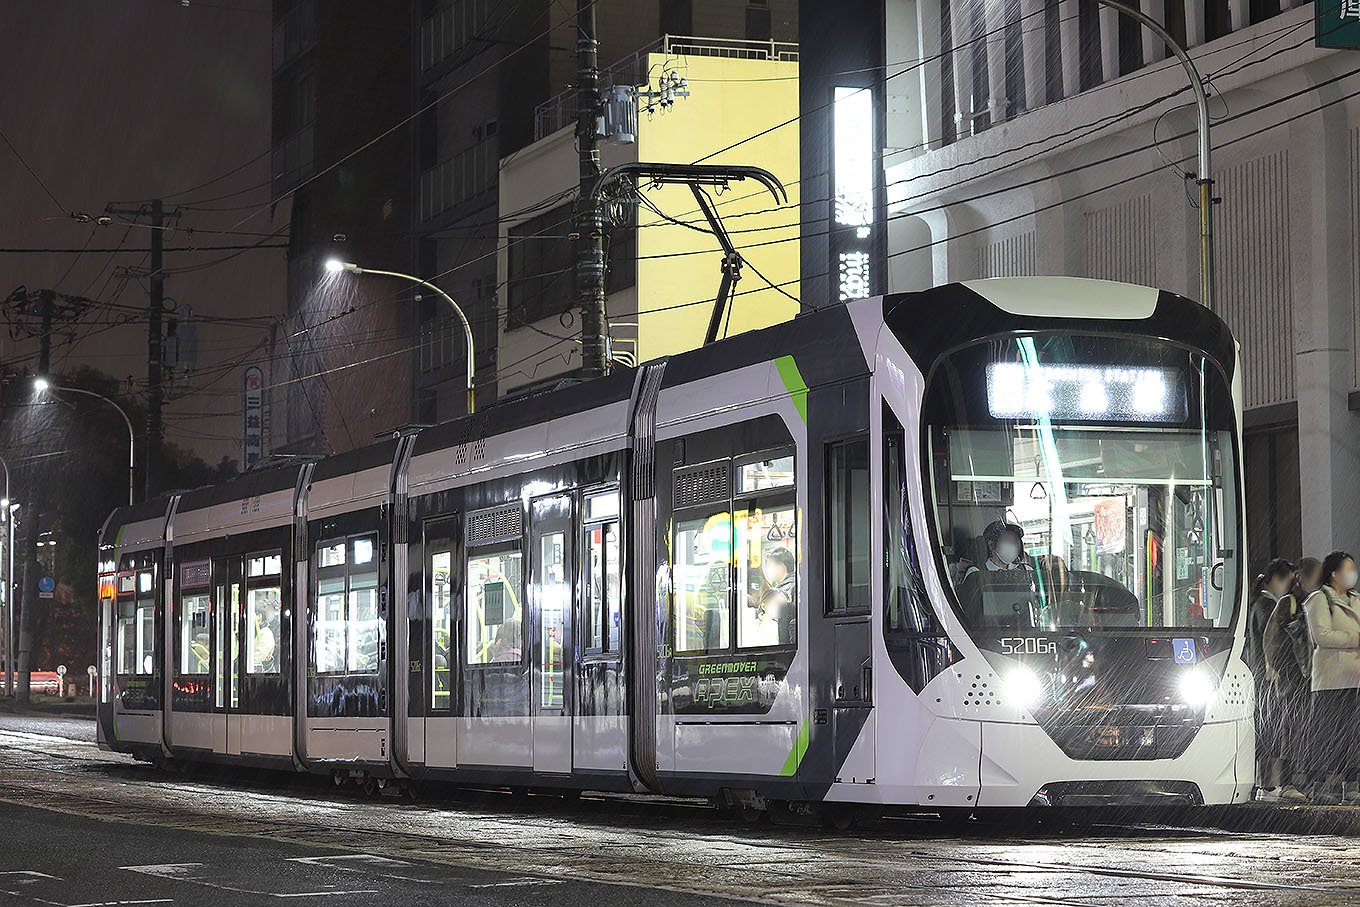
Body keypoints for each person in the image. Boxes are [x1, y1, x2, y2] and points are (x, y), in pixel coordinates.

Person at [1302, 551, 1360, 803]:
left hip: (1355, 677)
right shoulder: (1320, 599)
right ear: (1334, 573)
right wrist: (1355, 639)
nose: (1352, 573)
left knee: (1352, 734)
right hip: (1331, 680)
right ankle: (1326, 785)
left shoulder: (1356, 599)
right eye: (1348, 568)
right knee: (1329, 734)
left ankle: (1352, 783)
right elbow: (1322, 635)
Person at [1246, 559, 1295, 798]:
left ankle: (1263, 784)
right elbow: (1272, 644)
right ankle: (1269, 785)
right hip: (1267, 678)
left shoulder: (1258, 604)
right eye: (1288, 581)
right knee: (1271, 729)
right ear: (1276, 579)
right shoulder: (1267, 606)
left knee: (1266, 728)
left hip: (1259, 677)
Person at [964, 520, 1031, 578]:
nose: (1012, 545)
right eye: (1006, 540)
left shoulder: (1026, 570)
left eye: (1015, 541)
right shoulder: (976, 572)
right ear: (991, 545)